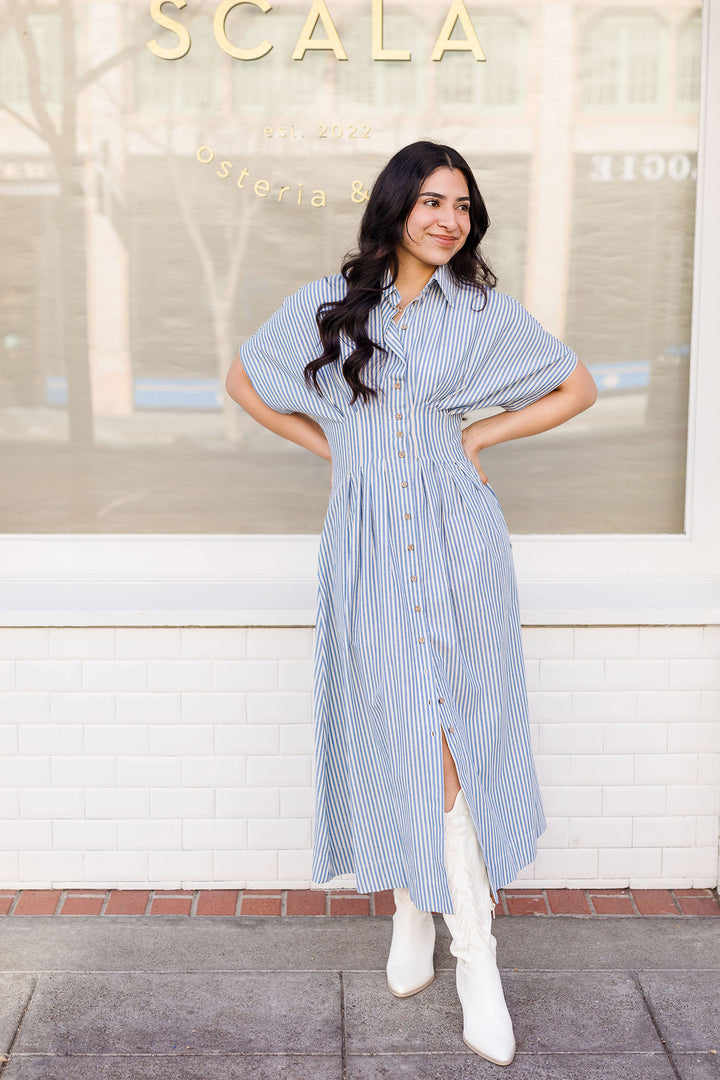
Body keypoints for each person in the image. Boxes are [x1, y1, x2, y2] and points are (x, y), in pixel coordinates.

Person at [225, 140, 597, 1066]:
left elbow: (577, 385)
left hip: (460, 544)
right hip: (366, 549)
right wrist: (337, 453)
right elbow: (244, 380)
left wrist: (481, 438)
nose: (448, 219)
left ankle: (478, 961)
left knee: (450, 740)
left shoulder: (481, 316)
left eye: (463, 207)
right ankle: (408, 915)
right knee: (388, 724)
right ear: (396, 208)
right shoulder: (328, 305)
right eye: (432, 201)